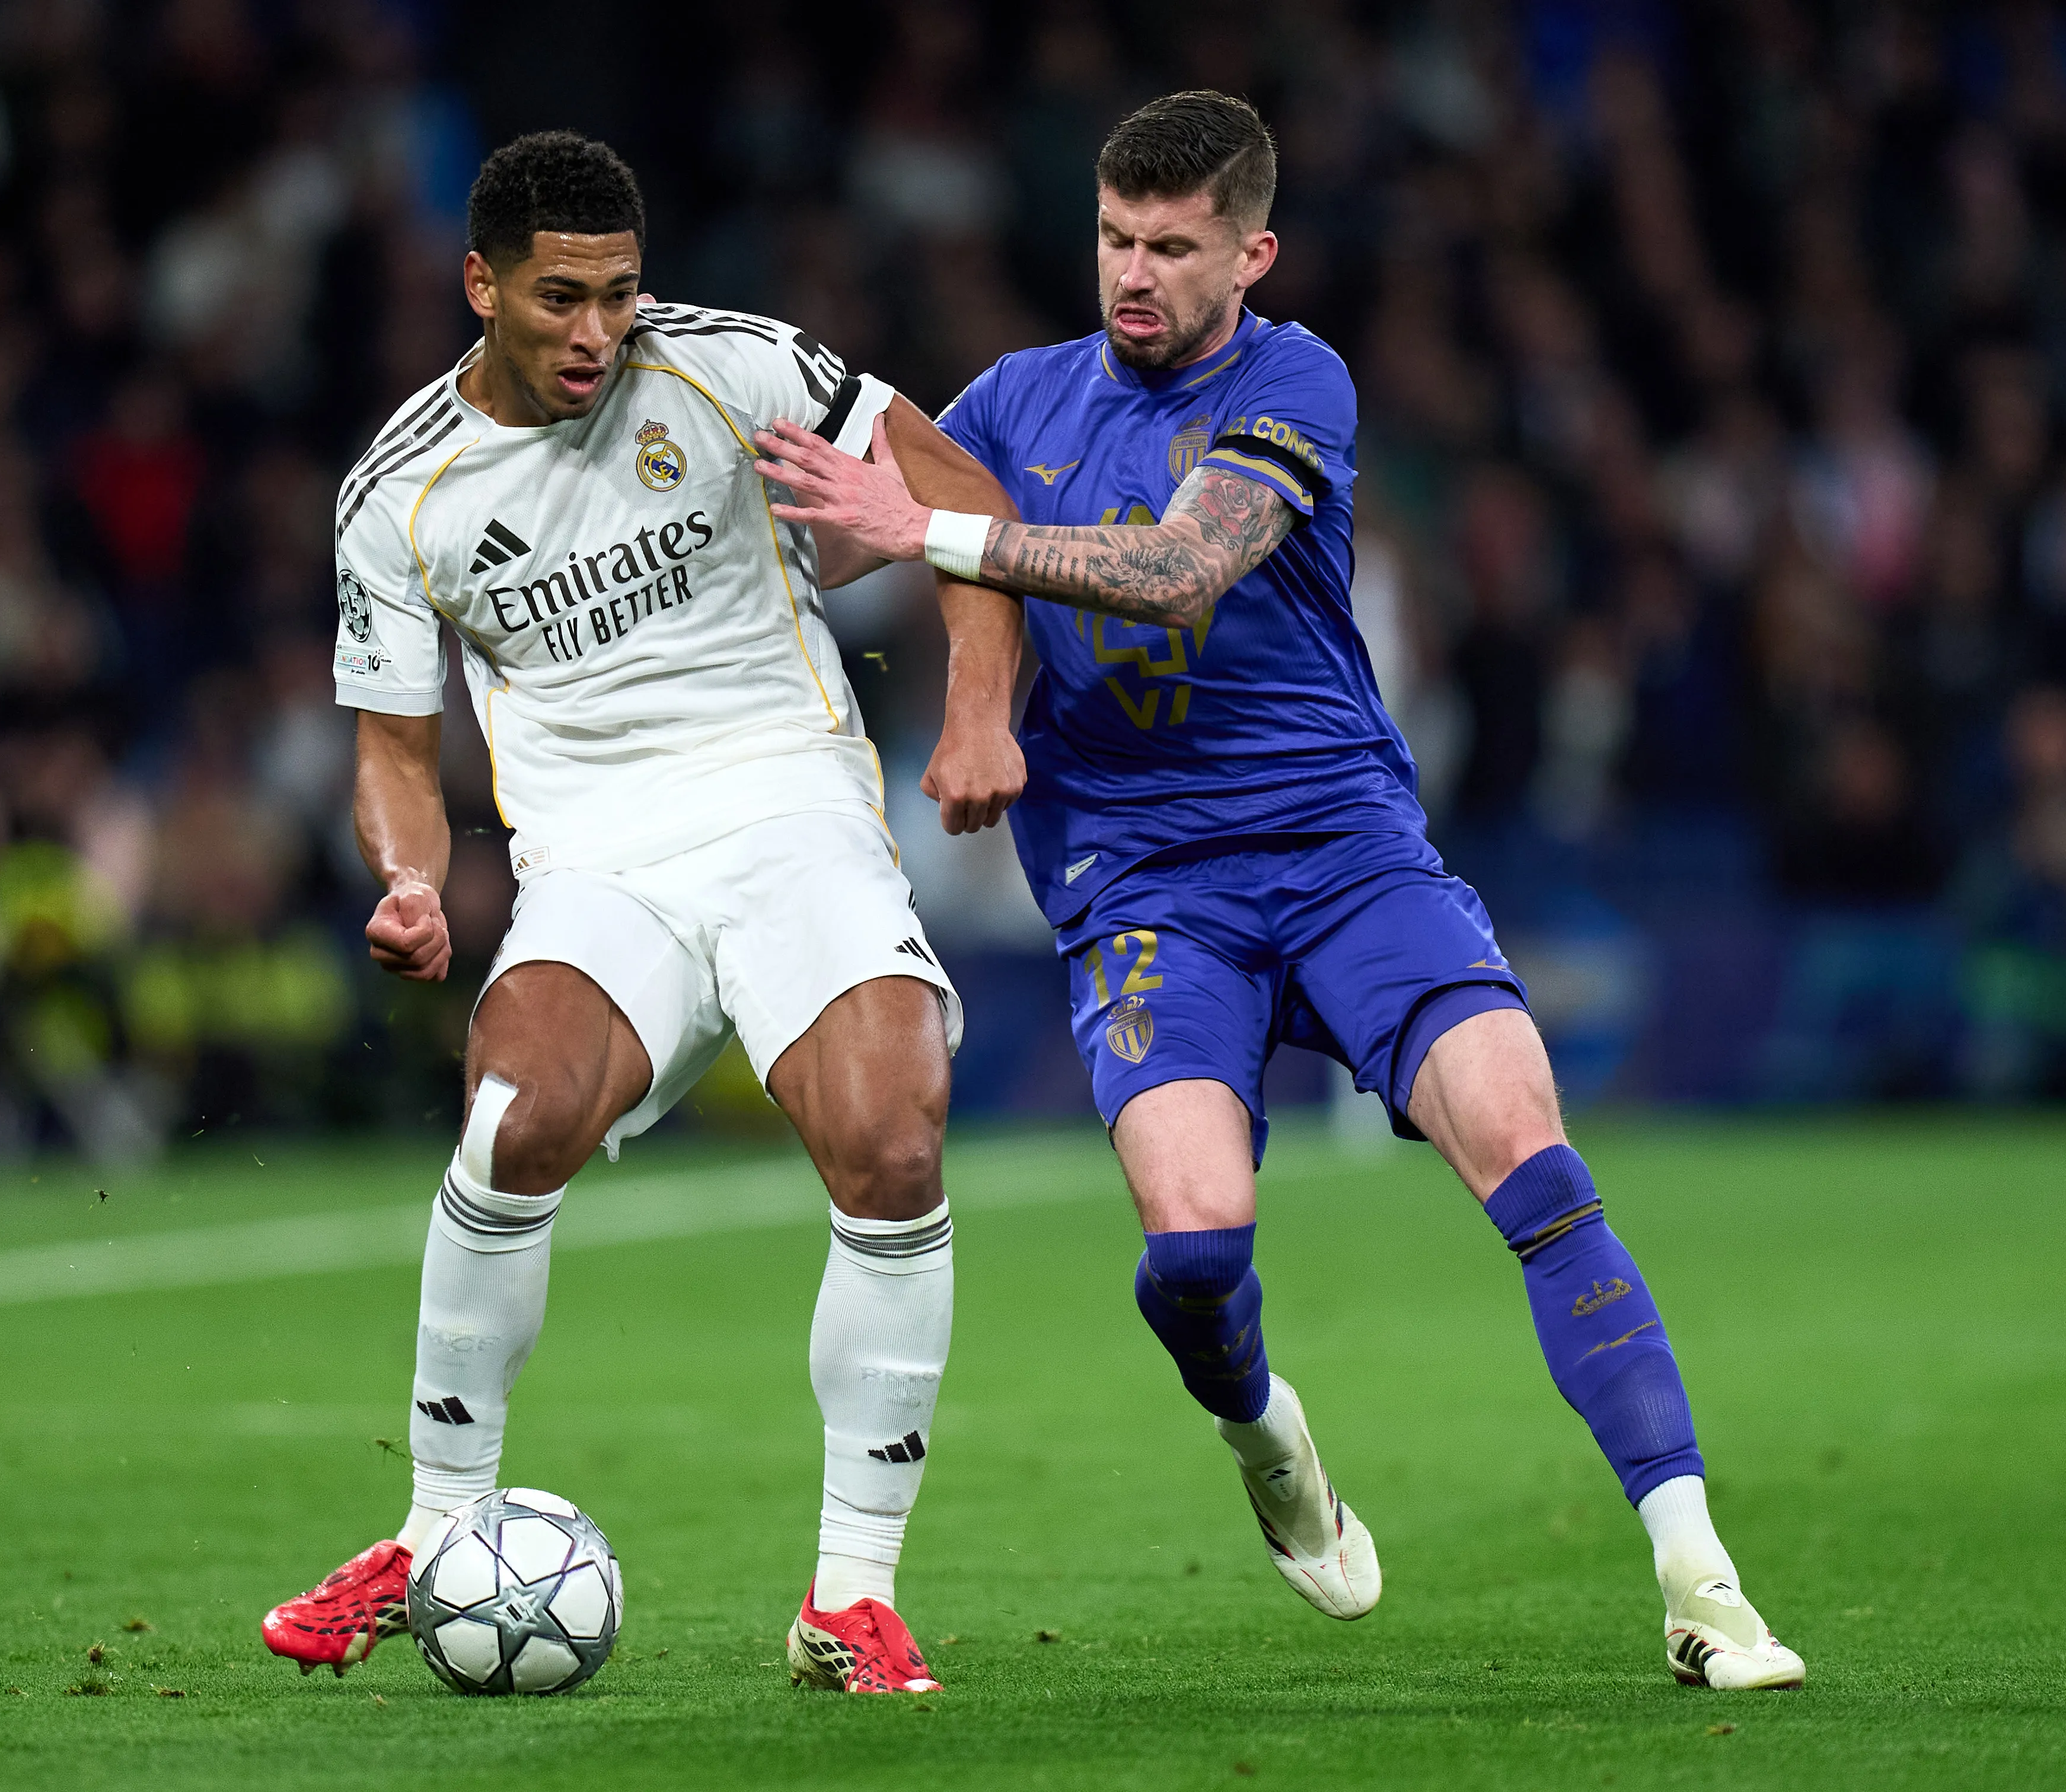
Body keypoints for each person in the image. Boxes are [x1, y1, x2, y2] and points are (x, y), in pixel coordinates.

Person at [756, 91, 1804, 1691]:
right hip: (1144, 887)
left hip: (1342, 854)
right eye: (1115, 237)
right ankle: (1264, 1429)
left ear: (1249, 254)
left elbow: (1177, 573)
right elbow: (854, 536)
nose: (1135, 272)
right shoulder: (1009, 402)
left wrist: (940, 530)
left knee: (1527, 1148)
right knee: (1191, 1252)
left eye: (1173, 247)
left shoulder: (1293, 377)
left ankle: (1699, 1576)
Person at [260, 131, 1024, 1697]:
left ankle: (849, 1597)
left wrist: (977, 708)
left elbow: (956, 487)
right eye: (558, 298)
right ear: (481, 286)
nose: (597, 331)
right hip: (596, 860)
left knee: (892, 1136)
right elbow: (395, 751)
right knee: (507, 1115)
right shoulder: (398, 491)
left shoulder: (732, 368)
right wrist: (410, 876)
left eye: (617, 291)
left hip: (789, 811)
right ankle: (429, 1532)